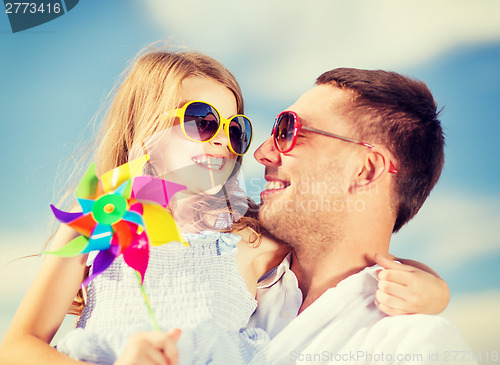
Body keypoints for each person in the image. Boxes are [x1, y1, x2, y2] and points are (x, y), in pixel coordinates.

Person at [0, 49, 450, 365]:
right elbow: (18, 347)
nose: (223, 142)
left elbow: (352, 254)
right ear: (144, 126)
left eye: (235, 130)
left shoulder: (246, 231)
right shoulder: (93, 221)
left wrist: (433, 287)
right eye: (202, 121)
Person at [250, 68, 476, 364]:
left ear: (366, 169)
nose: (261, 152)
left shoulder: (414, 346)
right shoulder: (224, 276)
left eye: (287, 130)